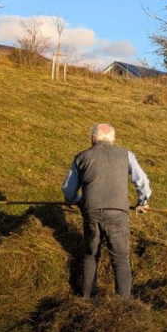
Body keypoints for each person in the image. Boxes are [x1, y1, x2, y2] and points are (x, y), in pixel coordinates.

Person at [62, 123, 151, 299]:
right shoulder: (127, 155)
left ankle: (87, 299)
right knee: (120, 258)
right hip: (118, 213)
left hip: (91, 211)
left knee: (90, 255)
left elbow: (68, 190)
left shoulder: (81, 157)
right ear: (113, 139)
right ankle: (122, 304)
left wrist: (80, 201)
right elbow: (142, 181)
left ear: (93, 138)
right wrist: (142, 201)